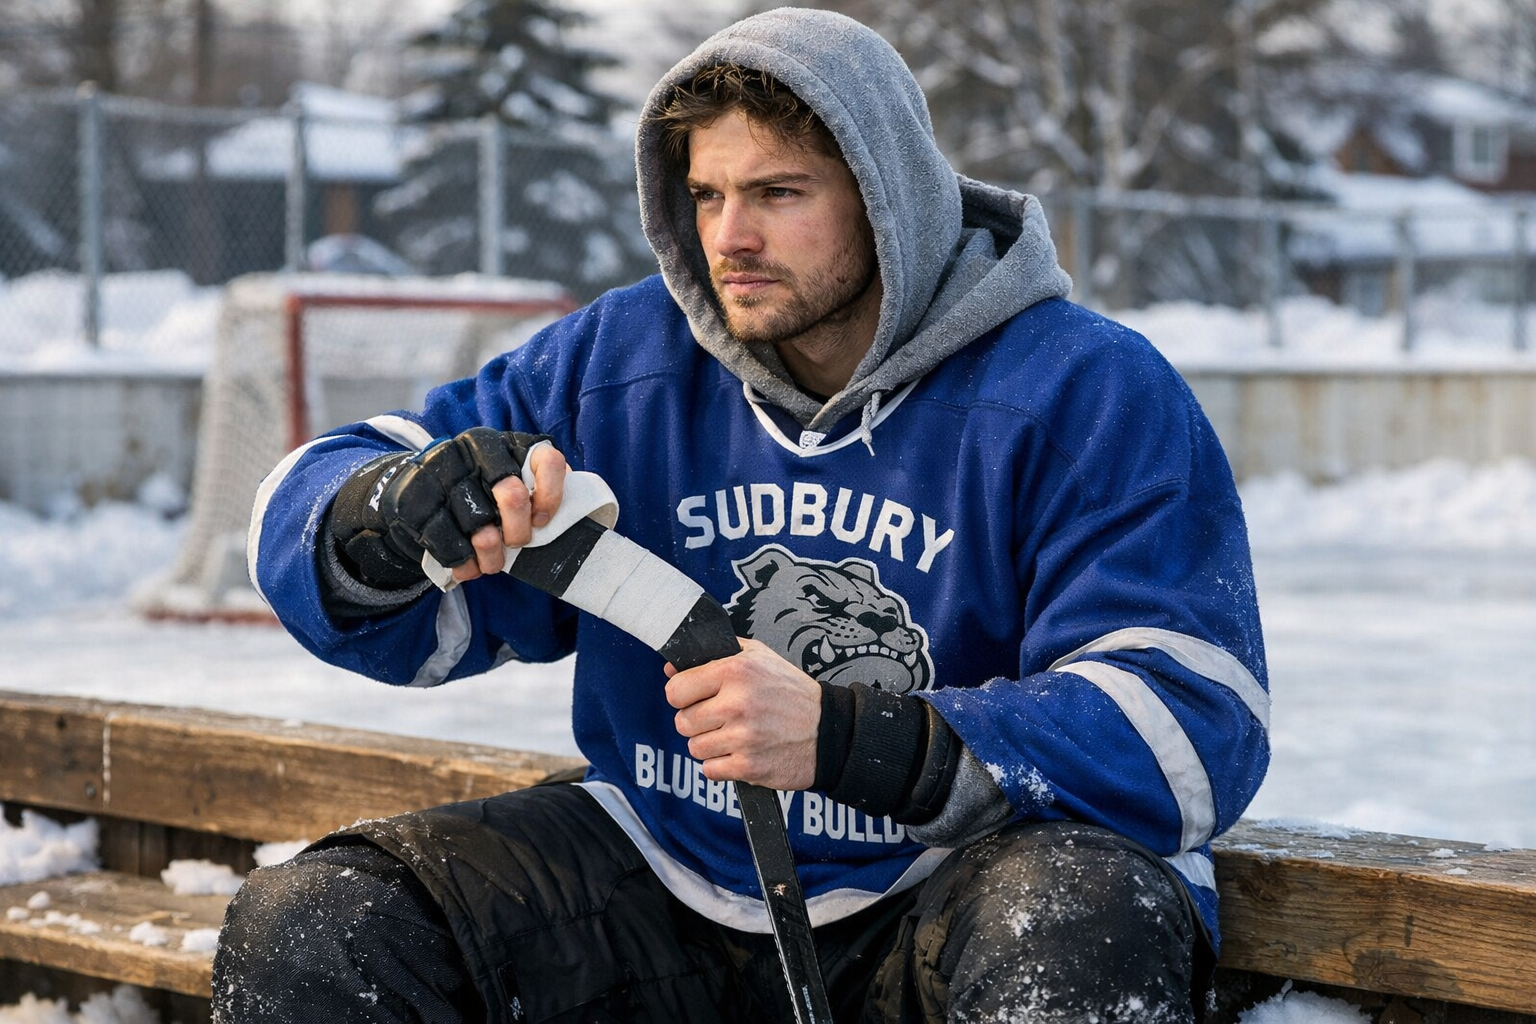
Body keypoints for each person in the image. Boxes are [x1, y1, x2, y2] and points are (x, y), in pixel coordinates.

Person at [219, 9, 1269, 1023]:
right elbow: (323, 504)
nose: (731, 236)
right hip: (668, 873)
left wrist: (854, 738)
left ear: (886, 197)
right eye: (708, 193)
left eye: (778, 192)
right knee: (322, 921)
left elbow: (1190, 721)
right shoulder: (618, 363)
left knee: (1077, 914)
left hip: (948, 893)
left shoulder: (1084, 389)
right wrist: (393, 512)